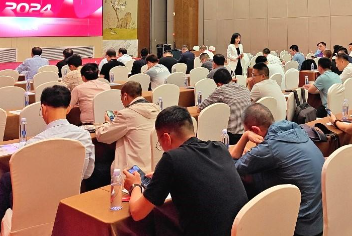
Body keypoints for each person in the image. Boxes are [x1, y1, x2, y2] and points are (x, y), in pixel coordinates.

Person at [0, 85, 94, 236]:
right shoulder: (84, 136)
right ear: (69, 108)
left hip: (36, 205)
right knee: (7, 180)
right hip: (69, 199)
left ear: (43, 109)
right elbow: (87, 173)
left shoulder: (35, 144)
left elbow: (23, 182)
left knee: (7, 182)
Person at [123, 107, 248, 236]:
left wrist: (135, 185)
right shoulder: (219, 148)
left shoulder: (171, 159)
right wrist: (163, 176)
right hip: (242, 231)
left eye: (159, 143)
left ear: (166, 137)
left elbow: (137, 213)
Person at [231, 104, 324, 236]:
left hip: (301, 225)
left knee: (245, 179)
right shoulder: (294, 130)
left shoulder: (270, 147)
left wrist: (245, 137)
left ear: (255, 130)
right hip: (320, 218)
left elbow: (234, 169)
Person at [96, 81, 159, 173]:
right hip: (152, 166)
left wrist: (107, 122)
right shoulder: (156, 109)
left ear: (125, 96)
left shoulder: (126, 114)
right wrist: (119, 118)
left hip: (132, 169)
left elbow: (102, 136)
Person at [198, 68, 251, 144]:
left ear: (219, 84)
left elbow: (201, 107)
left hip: (232, 136)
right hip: (247, 132)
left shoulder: (221, 90)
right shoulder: (244, 88)